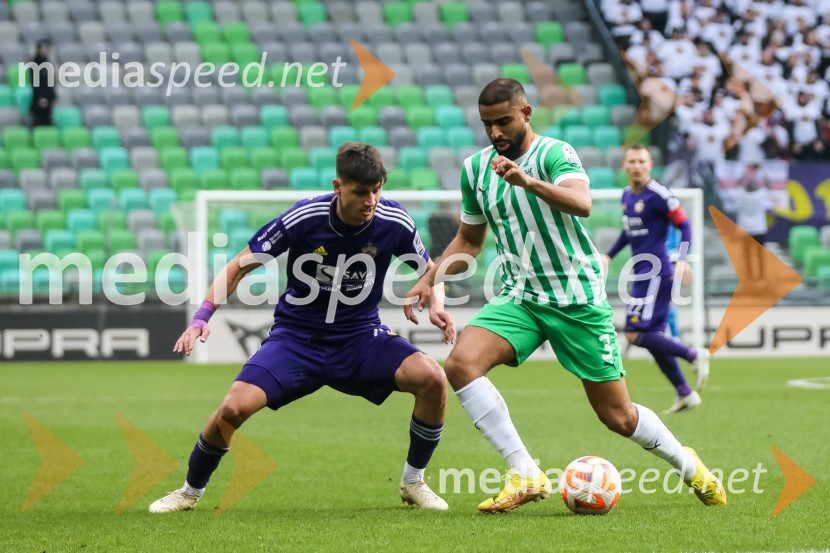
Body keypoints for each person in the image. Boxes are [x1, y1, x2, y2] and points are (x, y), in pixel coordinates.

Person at [405, 79, 726, 513]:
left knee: (619, 417)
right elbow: (469, 240)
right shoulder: (475, 169)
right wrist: (431, 276)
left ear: (526, 113)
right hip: (522, 295)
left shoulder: (555, 154)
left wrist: (528, 181)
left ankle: (690, 467)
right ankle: (524, 471)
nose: (495, 132)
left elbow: (582, 202)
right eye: (487, 124)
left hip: (577, 298)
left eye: (503, 121)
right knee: (461, 364)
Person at [150, 143, 455, 513]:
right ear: (338, 186)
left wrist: (437, 303)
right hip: (297, 340)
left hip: (360, 339)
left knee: (433, 380)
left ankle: (413, 482)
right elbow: (239, 266)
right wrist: (202, 317)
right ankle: (189, 491)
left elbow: (431, 270)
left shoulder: (395, 221)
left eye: (377, 190)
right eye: (361, 192)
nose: (370, 200)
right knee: (232, 410)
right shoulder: (304, 217)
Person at [606, 145, 709, 414]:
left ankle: (694, 355)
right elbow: (628, 233)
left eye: (642, 161)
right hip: (640, 272)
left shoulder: (659, 195)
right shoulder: (627, 196)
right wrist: (608, 255)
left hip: (656, 271)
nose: (637, 165)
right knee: (650, 336)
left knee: (635, 333)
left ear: (650, 165)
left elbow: (684, 224)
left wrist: (683, 259)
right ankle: (685, 392)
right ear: (624, 166)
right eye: (632, 161)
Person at [28, 40, 56, 127]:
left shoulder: (48, 63)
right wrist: (41, 97)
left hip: (48, 98)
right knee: (39, 122)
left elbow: (51, 82)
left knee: (48, 121)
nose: (46, 50)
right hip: (39, 99)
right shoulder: (34, 64)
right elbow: (35, 83)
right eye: (44, 47)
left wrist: (53, 96)